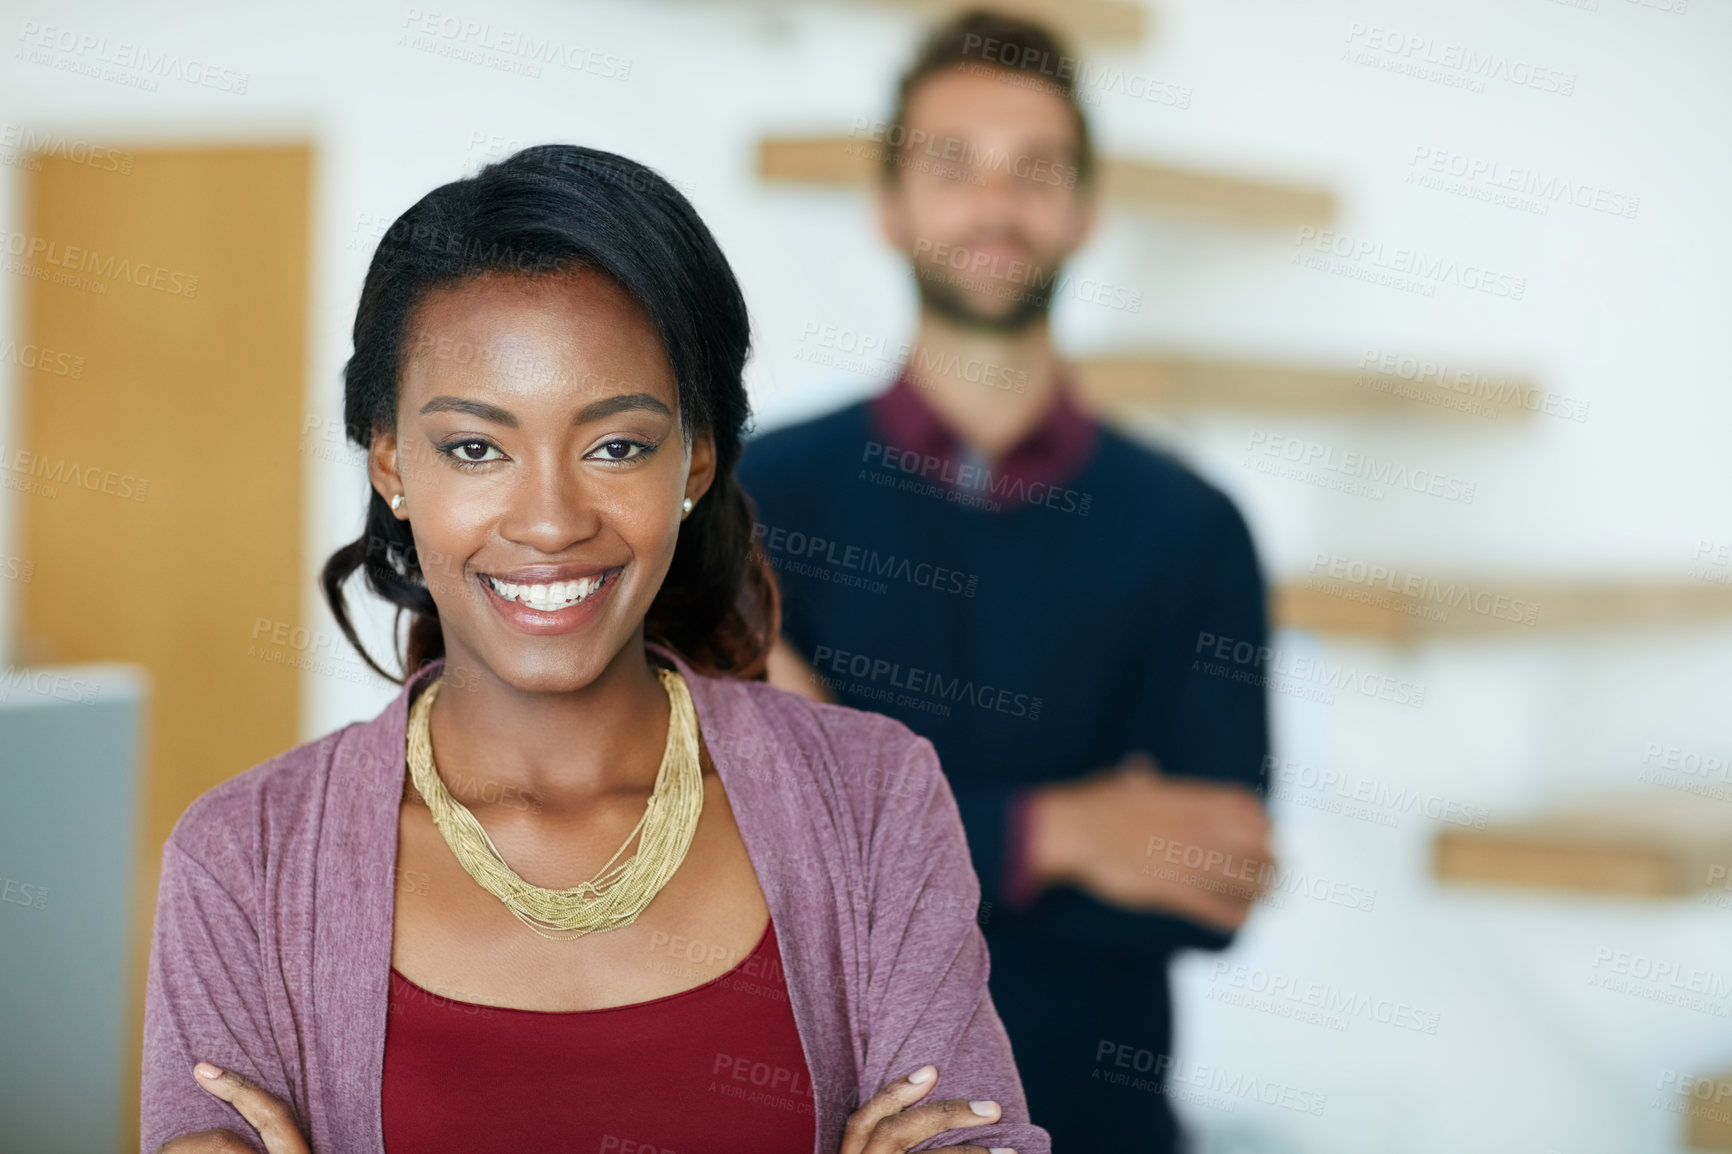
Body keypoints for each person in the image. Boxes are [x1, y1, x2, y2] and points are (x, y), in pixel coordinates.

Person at [140, 144, 1049, 1154]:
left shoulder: (874, 798)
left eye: (616, 443)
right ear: (392, 461)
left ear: (694, 458)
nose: (549, 519)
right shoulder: (242, 861)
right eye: (474, 447)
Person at [736, 12, 1275, 1150]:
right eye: (953, 166)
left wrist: (872, 822)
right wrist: (1057, 832)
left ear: (1084, 211)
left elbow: (1215, 879)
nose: (996, 204)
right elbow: (742, 865)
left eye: (1036, 171)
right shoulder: (755, 506)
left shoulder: (1193, 526)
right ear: (888, 206)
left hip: (1096, 1123)